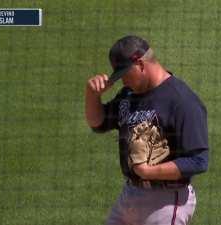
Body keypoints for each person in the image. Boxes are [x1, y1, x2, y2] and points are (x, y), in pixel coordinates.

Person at [84, 35, 209, 225]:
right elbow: (98, 124)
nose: (123, 82)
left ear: (140, 64)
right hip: (130, 196)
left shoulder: (182, 101)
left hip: (166, 201)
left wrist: (149, 172)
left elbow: (198, 161)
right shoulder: (128, 95)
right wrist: (92, 94)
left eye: (125, 74)